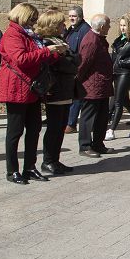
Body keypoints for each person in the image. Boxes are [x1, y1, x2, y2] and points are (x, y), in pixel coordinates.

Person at [0, 3, 63, 184]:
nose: (34, 22)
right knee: (15, 131)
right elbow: (21, 59)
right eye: (32, 18)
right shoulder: (12, 35)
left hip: (32, 89)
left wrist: (55, 53)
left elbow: (39, 56)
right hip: (17, 88)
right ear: (22, 16)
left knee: (34, 130)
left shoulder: (29, 35)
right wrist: (45, 51)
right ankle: (12, 171)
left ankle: (30, 167)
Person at [36, 9, 77, 175]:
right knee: (54, 127)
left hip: (66, 89)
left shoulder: (59, 40)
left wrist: (69, 59)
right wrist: (69, 60)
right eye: (61, 23)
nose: (64, 25)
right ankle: (48, 161)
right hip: (56, 89)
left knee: (60, 127)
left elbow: (76, 59)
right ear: (53, 25)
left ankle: (55, 159)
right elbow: (63, 65)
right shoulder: (46, 42)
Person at [76, 14, 114, 158]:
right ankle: (85, 146)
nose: (110, 27)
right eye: (109, 25)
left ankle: (98, 144)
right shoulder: (91, 41)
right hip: (92, 86)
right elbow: (83, 64)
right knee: (88, 117)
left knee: (102, 117)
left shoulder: (99, 39)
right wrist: (78, 82)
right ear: (102, 26)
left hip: (102, 85)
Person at [64, 6, 92, 133]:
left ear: (80, 17)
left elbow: (84, 52)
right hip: (70, 67)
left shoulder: (85, 30)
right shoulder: (71, 29)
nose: (71, 18)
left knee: (76, 98)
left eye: (74, 16)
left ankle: (71, 123)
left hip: (79, 67)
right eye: (70, 16)